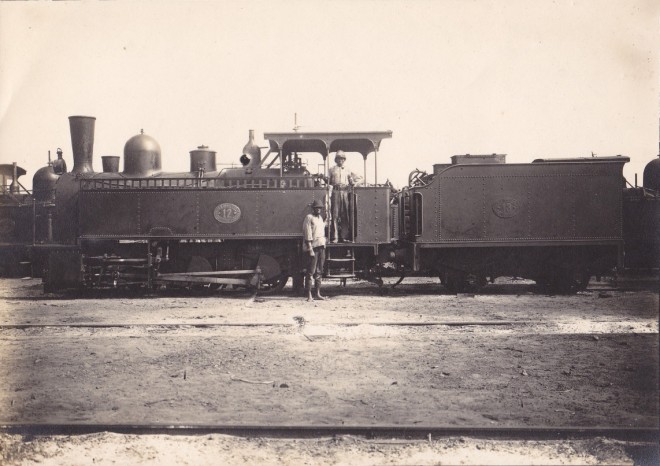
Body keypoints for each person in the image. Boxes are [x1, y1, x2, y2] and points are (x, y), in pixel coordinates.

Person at [328, 150, 361, 242]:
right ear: (336, 159)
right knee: (335, 214)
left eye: (342, 159)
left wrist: (354, 183)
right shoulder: (331, 169)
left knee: (345, 214)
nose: (340, 160)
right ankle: (335, 237)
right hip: (335, 192)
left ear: (344, 160)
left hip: (345, 192)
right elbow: (328, 181)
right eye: (338, 158)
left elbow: (357, 179)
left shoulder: (348, 170)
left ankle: (344, 236)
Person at [302, 199, 327, 301]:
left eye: (320, 208)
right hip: (314, 247)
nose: (319, 210)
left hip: (321, 247)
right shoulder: (309, 217)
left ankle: (317, 293)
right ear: (313, 208)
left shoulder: (320, 218)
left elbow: (321, 228)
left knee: (319, 271)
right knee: (310, 272)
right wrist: (310, 249)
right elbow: (307, 233)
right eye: (317, 208)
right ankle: (309, 295)